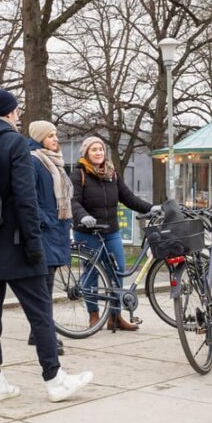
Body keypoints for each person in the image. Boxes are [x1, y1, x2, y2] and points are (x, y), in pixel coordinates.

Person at [0, 87, 92, 403]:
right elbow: (25, 199)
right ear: (8, 113)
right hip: (18, 244)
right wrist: (35, 244)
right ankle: (54, 379)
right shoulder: (14, 143)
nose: (19, 116)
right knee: (40, 313)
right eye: (16, 111)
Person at [71, 136, 152, 331]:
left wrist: (151, 208)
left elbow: (128, 198)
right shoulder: (79, 173)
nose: (98, 152)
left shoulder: (112, 173)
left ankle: (115, 317)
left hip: (111, 231)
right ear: (86, 153)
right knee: (91, 273)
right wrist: (82, 216)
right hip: (87, 231)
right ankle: (94, 315)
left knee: (118, 271)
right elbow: (73, 201)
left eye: (100, 149)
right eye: (94, 150)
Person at [26, 120, 69, 356]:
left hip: (56, 231)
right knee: (43, 287)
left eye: (56, 135)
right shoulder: (34, 161)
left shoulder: (55, 162)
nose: (55, 139)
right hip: (45, 231)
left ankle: (38, 332)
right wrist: (46, 220)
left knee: (47, 286)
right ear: (39, 137)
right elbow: (29, 196)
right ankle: (45, 335)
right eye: (50, 135)